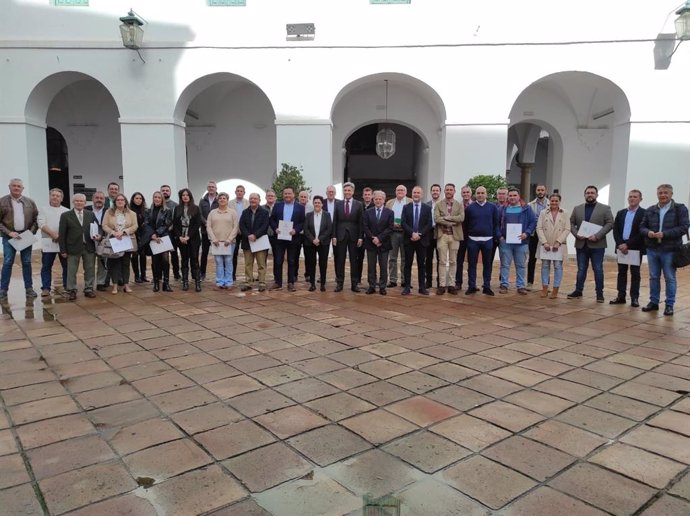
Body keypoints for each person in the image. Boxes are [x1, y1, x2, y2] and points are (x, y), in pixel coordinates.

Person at [640, 184, 689, 316]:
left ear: (671, 194)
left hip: (671, 250)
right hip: (652, 249)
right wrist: (648, 232)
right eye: (660, 193)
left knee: (670, 278)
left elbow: (684, 227)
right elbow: (642, 227)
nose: (663, 195)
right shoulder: (650, 209)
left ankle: (669, 305)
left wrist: (665, 234)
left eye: (666, 193)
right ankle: (654, 302)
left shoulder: (680, 208)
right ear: (657, 194)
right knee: (653, 277)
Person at [567, 185, 614, 303]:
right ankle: (578, 290)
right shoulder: (577, 208)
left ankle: (599, 293)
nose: (590, 195)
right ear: (584, 195)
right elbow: (571, 223)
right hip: (581, 243)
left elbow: (610, 223)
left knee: (598, 269)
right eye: (588, 193)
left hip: (597, 244)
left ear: (597, 195)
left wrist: (598, 235)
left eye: (592, 193)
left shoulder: (605, 208)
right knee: (581, 269)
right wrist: (576, 234)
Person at [0, 178, 39, 300]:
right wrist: (9, 232)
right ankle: (3, 289)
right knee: (7, 262)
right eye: (14, 186)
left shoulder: (30, 202)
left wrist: (30, 233)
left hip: (25, 236)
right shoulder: (2, 202)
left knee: (27, 262)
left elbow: (36, 220)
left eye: (19, 186)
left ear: (22, 189)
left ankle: (29, 288)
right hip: (9, 237)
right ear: (9, 187)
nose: (16, 188)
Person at [58, 193, 99, 301]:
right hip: (72, 247)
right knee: (71, 271)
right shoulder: (65, 215)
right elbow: (61, 234)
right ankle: (71, 290)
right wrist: (63, 249)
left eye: (81, 201)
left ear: (85, 203)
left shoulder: (90, 214)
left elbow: (97, 227)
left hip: (88, 246)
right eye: (77, 201)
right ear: (73, 202)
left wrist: (98, 235)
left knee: (90, 269)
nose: (79, 203)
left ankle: (89, 289)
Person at [610, 190, 646, 307]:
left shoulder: (644, 213)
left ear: (640, 199)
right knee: (621, 272)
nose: (632, 199)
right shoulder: (621, 213)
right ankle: (621, 296)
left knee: (635, 273)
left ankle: (634, 298)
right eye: (630, 197)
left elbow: (641, 232)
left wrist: (628, 244)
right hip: (621, 246)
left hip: (635, 247)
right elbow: (615, 230)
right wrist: (620, 243)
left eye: (635, 197)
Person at [498, 188, 536, 295]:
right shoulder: (502, 209)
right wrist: (500, 236)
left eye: (514, 195)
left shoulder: (526, 209)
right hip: (506, 242)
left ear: (519, 196)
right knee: (505, 265)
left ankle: (520, 286)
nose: (512, 197)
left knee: (521, 265)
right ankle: (504, 285)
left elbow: (533, 222)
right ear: (507, 197)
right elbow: (496, 223)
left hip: (521, 242)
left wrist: (527, 233)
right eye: (510, 195)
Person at [464, 186, 500, 296]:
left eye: (482, 193)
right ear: (475, 194)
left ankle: (487, 286)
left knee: (487, 264)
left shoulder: (492, 207)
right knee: (472, 264)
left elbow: (496, 223)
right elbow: (466, 224)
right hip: (472, 240)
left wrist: (495, 237)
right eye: (478, 193)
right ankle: (471, 286)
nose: (480, 195)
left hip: (488, 240)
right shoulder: (470, 208)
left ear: (486, 194)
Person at [269, 187, 305, 292]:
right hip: (279, 238)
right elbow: (272, 219)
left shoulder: (300, 207)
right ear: (283, 195)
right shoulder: (277, 206)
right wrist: (275, 228)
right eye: (285, 194)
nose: (287, 195)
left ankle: (291, 282)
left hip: (294, 238)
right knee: (278, 260)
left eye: (289, 193)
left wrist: (296, 230)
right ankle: (278, 282)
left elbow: (302, 222)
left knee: (292, 260)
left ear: (294, 194)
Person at [102, 193, 138, 295]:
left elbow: (135, 226)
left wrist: (124, 232)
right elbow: (104, 225)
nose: (120, 201)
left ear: (125, 202)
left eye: (122, 200)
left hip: (127, 240)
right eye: (118, 200)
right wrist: (114, 233)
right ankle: (115, 285)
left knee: (126, 263)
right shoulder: (109, 212)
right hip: (115, 240)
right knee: (115, 263)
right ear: (115, 202)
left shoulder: (132, 213)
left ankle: (126, 285)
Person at [536, 193, 570, 299]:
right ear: (549, 201)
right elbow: (539, 228)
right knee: (545, 266)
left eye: (556, 201)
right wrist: (544, 242)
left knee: (558, 267)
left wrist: (559, 241)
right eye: (552, 201)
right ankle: (545, 288)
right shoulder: (543, 212)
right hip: (546, 244)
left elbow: (567, 228)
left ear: (560, 201)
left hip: (558, 245)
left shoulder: (565, 213)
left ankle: (555, 289)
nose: (554, 203)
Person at [401, 186, 433, 296]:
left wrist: (420, 234)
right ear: (411, 193)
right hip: (409, 239)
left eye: (418, 193)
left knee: (422, 264)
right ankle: (407, 287)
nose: (416, 194)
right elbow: (403, 223)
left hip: (422, 240)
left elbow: (429, 224)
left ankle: (422, 287)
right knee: (407, 264)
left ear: (422, 194)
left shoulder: (427, 208)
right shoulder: (406, 207)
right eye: (414, 192)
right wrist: (412, 233)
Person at [333, 182, 364, 293]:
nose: (347, 192)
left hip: (354, 236)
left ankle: (354, 284)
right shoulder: (338, 204)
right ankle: (339, 283)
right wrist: (334, 236)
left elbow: (361, 222)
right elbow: (335, 221)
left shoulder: (359, 204)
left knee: (353, 261)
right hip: (340, 236)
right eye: (345, 190)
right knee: (340, 260)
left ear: (353, 191)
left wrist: (361, 237)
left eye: (349, 190)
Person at [434, 183, 464, 295]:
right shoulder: (438, 204)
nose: (449, 191)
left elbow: (461, 218)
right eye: (447, 190)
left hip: (455, 236)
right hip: (442, 235)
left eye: (451, 190)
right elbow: (437, 218)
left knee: (453, 261)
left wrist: (447, 218)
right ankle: (441, 285)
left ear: (454, 191)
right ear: (444, 191)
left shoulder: (459, 205)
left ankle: (451, 284)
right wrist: (452, 222)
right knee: (442, 261)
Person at [38, 188, 69, 296]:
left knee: (66, 266)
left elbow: (69, 227)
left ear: (61, 199)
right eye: (53, 195)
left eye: (58, 196)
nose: (55, 197)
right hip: (48, 242)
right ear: (50, 197)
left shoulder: (66, 210)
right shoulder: (43, 209)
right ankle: (46, 288)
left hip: (63, 243)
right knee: (46, 265)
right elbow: (41, 223)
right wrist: (53, 234)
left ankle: (67, 286)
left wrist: (60, 237)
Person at [141, 191, 174, 293]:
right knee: (155, 261)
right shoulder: (148, 211)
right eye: (155, 197)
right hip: (153, 238)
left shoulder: (167, 210)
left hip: (163, 237)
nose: (157, 199)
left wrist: (157, 234)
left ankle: (166, 283)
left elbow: (167, 224)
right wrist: (152, 235)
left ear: (162, 199)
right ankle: (156, 283)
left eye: (159, 197)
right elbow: (146, 224)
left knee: (165, 260)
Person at [363, 190, 394, 295]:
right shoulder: (368, 212)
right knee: (371, 266)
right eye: (376, 199)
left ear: (384, 200)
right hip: (371, 243)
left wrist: (379, 239)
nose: (378, 201)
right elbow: (365, 227)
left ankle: (382, 286)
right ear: (373, 200)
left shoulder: (390, 212)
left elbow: (390, 228)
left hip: (384, 244)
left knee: (383, 266)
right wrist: (373, 238)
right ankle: (371, 286)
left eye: (380, 199)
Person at [207, 192, 239, 289]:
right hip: (216, 242)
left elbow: (236, 227)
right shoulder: (212, 212)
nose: (222, 199)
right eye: (220, 198)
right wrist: (213, 239)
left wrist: (229, 239)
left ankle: (229, 282)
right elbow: (208, 226)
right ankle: (220, 281)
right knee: (218, 262)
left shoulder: (232, 212)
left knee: (229, 261)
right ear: (217, 200)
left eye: (224, 198)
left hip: (229, 242)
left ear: (227, 200)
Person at [239, 192, 270, 292]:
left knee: (261, 264)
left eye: (255, 199)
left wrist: (255, 235)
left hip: (259, 241)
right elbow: (242, 225)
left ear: (259, 200)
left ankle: (262, 282)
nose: (253, 200)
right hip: (247, 242)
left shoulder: (264, 212)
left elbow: (265, 226)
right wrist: (248, 235)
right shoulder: (245, 212)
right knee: (248, 263)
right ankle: (248, 282)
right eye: (251, 198)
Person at [173, 188, 202, 292]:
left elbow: (197, 224)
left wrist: (188, 236)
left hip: (193, 238)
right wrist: (180, 236)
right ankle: (185, 281)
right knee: (184, 259)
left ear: (190, 196)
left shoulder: (196, 208)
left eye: (187, 195)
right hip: (181, 238)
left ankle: (197, 282)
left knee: (194, 259)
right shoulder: (177, 209)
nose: (185, 197)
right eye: (183, 195)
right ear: (181, 197)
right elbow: (175, 224)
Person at [303, 195, 333, 292]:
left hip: (323, 243)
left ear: (322, 204)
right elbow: (306, 229)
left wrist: (319, 239)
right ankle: (312, 284)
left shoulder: (327, 215)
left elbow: (329, 229)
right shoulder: (308, 215)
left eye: (319, 203)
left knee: (323, 263)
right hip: (310, 243)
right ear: (313, 204)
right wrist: (313, 239)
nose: (317, 204)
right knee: (311, 263)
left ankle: (323, 284)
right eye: (315, 203)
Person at [385, 185, 411, 288]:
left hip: (406, 233)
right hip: (393, 233)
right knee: (392, 258)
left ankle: (405, 280)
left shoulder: (410, 201)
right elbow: (386, 216)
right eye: (398, 190)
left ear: (406, 192)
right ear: (395, 192)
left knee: (405, 258)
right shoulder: (390, 202)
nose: (400, 191)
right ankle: (392, 280)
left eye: (402, 190)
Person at [87, 191, 110, 291]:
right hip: (89, 241)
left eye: (101, 198)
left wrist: (103, 236)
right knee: (89, 264)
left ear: (104, 200)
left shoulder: (108, 211)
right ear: (93, 199)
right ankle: (89, 285)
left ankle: (101, 283)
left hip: (103, 240)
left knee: (103, 263)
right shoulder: (85, 209)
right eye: (97, 198)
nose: (99, 200)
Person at [527, 184, 548, 289]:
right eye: (538, 190)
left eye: (542, 190)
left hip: (546, 234)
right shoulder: (530, 205)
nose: (540, 192)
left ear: (545, 191)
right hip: (533, 234)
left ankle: (546, 284)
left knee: (546, 259)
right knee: (532, 258)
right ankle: (530, 282)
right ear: (536, 191)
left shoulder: (550, 204)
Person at [199, 181, 219, 282]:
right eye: (209, 187)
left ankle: (220, 274)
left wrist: (213, 225)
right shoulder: (202, 201)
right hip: (205, 231)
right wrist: (207, 223)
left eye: (213, 187)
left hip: (217, 232)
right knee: (204, 253)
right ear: (207, 188)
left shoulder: (219, 200)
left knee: (219, 254)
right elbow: (200, 214)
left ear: (216, 188)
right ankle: (202, 273)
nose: (211, 188)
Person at [229, 185, 249, 282]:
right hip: (234, 232)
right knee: (233, 254)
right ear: (235, 192)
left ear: (244, 192)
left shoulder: (248, 203)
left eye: (241, 191)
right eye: (238, 191)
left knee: (248, 254)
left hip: (245, 232)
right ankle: (232, 274)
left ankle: (248, 275)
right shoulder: (230, 203)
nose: (239, 192)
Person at [356, 187, 375, 286]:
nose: (367, 196)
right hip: (360, 237)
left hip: (371, 237)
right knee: (359, 258)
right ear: (363, 196)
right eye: (365, 195)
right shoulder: (359, 206)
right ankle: (357, 279)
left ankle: (372, 280)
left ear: (372, 196)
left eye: (369, 194)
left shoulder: (375, 205)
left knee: (372, 260)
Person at [160, 184, 180, 281]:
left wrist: (171, 228)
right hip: (160, 234)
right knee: (161, 255)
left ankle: (176, 273)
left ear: (170, 192)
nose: (165, 192)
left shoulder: (175, 205)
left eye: (167, 190)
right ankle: (162, 274)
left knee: (174, 254)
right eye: (163, 190)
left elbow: (177, 220)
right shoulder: (156, 204)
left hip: (172, 233)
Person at [455, 185, 473, 291]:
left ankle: (472, 284)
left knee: (471, 261)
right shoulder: (457, 205)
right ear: (461, 194)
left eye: (467, 192)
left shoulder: (475, 205)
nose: (466, 194)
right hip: (460, 236)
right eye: (464, 192)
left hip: (472, 237)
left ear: (471, 194)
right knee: (459, 260)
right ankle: (458, 282)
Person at [425, 184, 442, 289]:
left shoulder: (444, 204)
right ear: (431, 192)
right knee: (428, 258)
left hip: (440, 232)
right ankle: (428, 281)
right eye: (433, 190)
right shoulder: (426, 205)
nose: (435, 192)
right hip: (429, 233)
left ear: (440, 192)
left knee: (440, 259)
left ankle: (440, 280)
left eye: (437, 190)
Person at [129, 192, 148, 284]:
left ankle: (143, 275)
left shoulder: (145, 210)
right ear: (133, 199)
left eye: (140, 198)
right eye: (136, 198)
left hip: (143, 236)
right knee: (135, 255)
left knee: (143, 255)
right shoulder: (129, 210)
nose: (138, 200)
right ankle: (137, 276)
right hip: (133, 235)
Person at [297, 190, 314, 283]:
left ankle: (308, 274)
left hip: (307, 235)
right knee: (295, 255)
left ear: (307, 198)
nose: (303, 198)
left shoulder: (311, 208)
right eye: (301, 197)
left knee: (308, 256)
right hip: (297, 234)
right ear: (298, 197)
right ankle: (294, 274)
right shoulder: (295, 206)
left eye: (305, 197)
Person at [263, 189, 278, 260]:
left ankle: (276, 271)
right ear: (265, 197)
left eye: (272, 196)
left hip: (276, 235)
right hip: (264, 235)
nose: (270, 197)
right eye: (268, 196)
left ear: (275, 198)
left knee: (277, 257)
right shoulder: (261, 208)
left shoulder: (279, 208)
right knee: (262, 258)